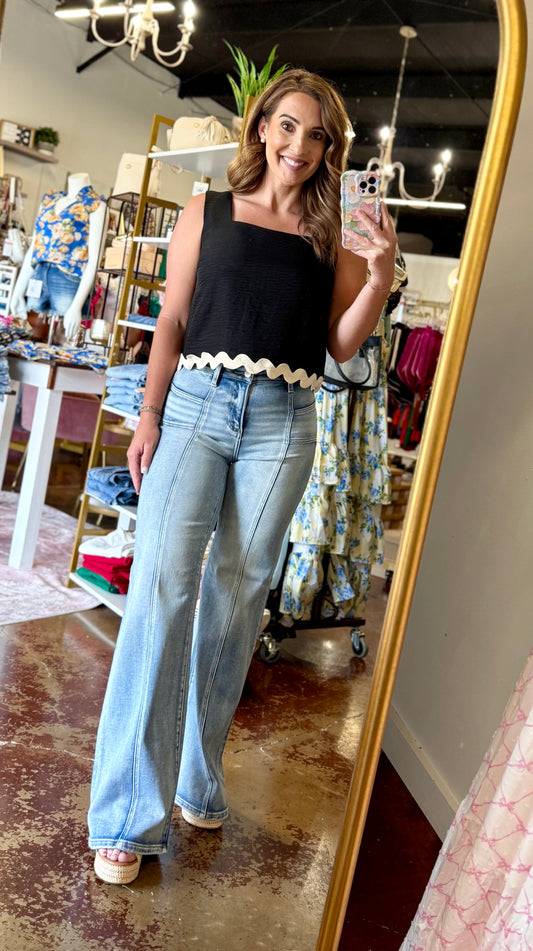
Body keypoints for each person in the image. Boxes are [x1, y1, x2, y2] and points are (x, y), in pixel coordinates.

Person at [88, 68, 397, 885]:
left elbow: (340, 345)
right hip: (194, 406)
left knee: (234, 604)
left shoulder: (330, 233)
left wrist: (379, 275)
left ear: (328, 148)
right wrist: (148, 415)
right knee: (160, 591)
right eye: (287, 125)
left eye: (316, 134)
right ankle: (126, 815)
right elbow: (172, 319)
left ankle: (198, 776)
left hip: (283, 423)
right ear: (262, 127)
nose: (299, 145)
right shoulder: (207, 210)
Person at [10, 172, 106, 340]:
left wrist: (76, 306)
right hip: (38, 275)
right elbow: (35, 247)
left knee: (60, 338)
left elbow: (94, 260)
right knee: (32, 336)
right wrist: (18, 291)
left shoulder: (95, 204)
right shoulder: (50, 200)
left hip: (67, 279)